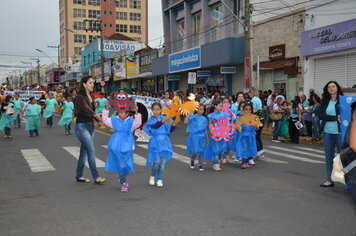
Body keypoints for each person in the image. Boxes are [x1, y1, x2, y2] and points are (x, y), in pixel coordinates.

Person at [102, 104, 142, 192]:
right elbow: (105, 120)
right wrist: (106, 110)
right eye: (119, 112)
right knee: (120, 164)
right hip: (116, 145)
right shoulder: (114, 120)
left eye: (122, 113)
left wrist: (136, 112)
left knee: (125, 164)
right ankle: (123, 182)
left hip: (127, 145)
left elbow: (138, 123)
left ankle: (122, 177)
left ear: (127, 113)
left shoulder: (131, 121)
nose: (120, 114)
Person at [74, 76, 105, 184]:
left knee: (84, 153)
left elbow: (90, 112)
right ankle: (96, 177)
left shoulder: (91, 96)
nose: (92, 85)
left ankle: (78, 175)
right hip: (82, 127)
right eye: (90, 83)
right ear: (84, 84)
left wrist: (98, 121)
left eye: (93, 83)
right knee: (91, 151)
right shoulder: (80, 97)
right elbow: (86, 109)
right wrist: (96, 115)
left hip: (91, 126)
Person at [144, 102, 178, 187]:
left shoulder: (164, 118)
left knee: (162, 164)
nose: (156, 111)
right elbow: (154, 127)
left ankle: (159, 179)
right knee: (156, 162)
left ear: (161, 110)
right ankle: (152, 175)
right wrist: (162, 121)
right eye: (154, 109)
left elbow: (170, 129)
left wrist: (175, 122)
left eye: (158, 109)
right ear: (152, 110)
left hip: (164, 142)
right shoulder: (151, 120)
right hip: (155, 142)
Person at [318, 81, 343, 187]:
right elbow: (321, 115)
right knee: (329, 157)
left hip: (340, 132)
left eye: (333, 86)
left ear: (337, 88)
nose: (331, 88)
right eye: (329, 87)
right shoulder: (325, 102)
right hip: (327, 132)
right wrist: (334, 118)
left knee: (344, 157)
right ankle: (329, 179)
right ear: (327, 89)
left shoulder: (342, 101)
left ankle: (347, 181)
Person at [205, 99, 231, 171]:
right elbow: (210, 125)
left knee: (222, 149)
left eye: (222, 106)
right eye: (220, 106)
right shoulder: (211, 115)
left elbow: (228, 123)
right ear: (215, 106)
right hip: (215, 135)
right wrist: (211, 132)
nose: (221, 107)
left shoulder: (225, 114)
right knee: (215, 149)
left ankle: (218, 161)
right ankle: (216, 163)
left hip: (223, 135)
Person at [234, 103, 260, 169]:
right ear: (243, 110)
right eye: (246, 110)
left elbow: (257, 126)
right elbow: (236, 126)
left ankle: (247, 161)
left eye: (249, 110)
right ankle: (243, 162)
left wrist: (256, 126)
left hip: (251, 136)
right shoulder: (241, 118)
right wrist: (239, 128)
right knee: (244, 148)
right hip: (243, 136)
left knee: (249, 148)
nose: (248, 111)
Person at [184, 104, 209, 172]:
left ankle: (200, 164)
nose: (201, 111)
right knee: (195, 150)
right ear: (196, 109)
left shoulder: (204, 119)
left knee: (201, 150)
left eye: (203, 109)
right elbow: (185, 122)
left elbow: (205, 129)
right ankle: (192, 160)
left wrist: (207, 139)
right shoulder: (192, 117)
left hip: (202, 136)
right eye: (200, 109)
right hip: (194, 136)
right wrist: (189, 114)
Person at [248, 87, 264, 157]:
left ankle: (259, 150)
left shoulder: (253, 100)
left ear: (252, 92)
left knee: (255, 136)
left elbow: (253, 111)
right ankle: (261, 150)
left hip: (256, 119)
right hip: (261, 118)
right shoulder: (258, 99)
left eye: (249, 92)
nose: (248, 94)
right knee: (258, 136)